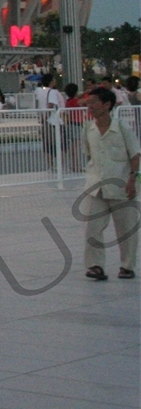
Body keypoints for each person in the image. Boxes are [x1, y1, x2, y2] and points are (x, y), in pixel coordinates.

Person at [81, 86, 138, 281]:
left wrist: (132, 179)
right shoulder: (88, 129)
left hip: (122, 185)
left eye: (94, 102)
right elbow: (88, 154)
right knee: (93, 228)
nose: (90, 106)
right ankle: (95, 266)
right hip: (96, 187)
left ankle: (127, 266)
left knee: (126, 228)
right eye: (88, 102)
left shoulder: (122, 127)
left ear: (107, 105)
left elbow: (135, 154)